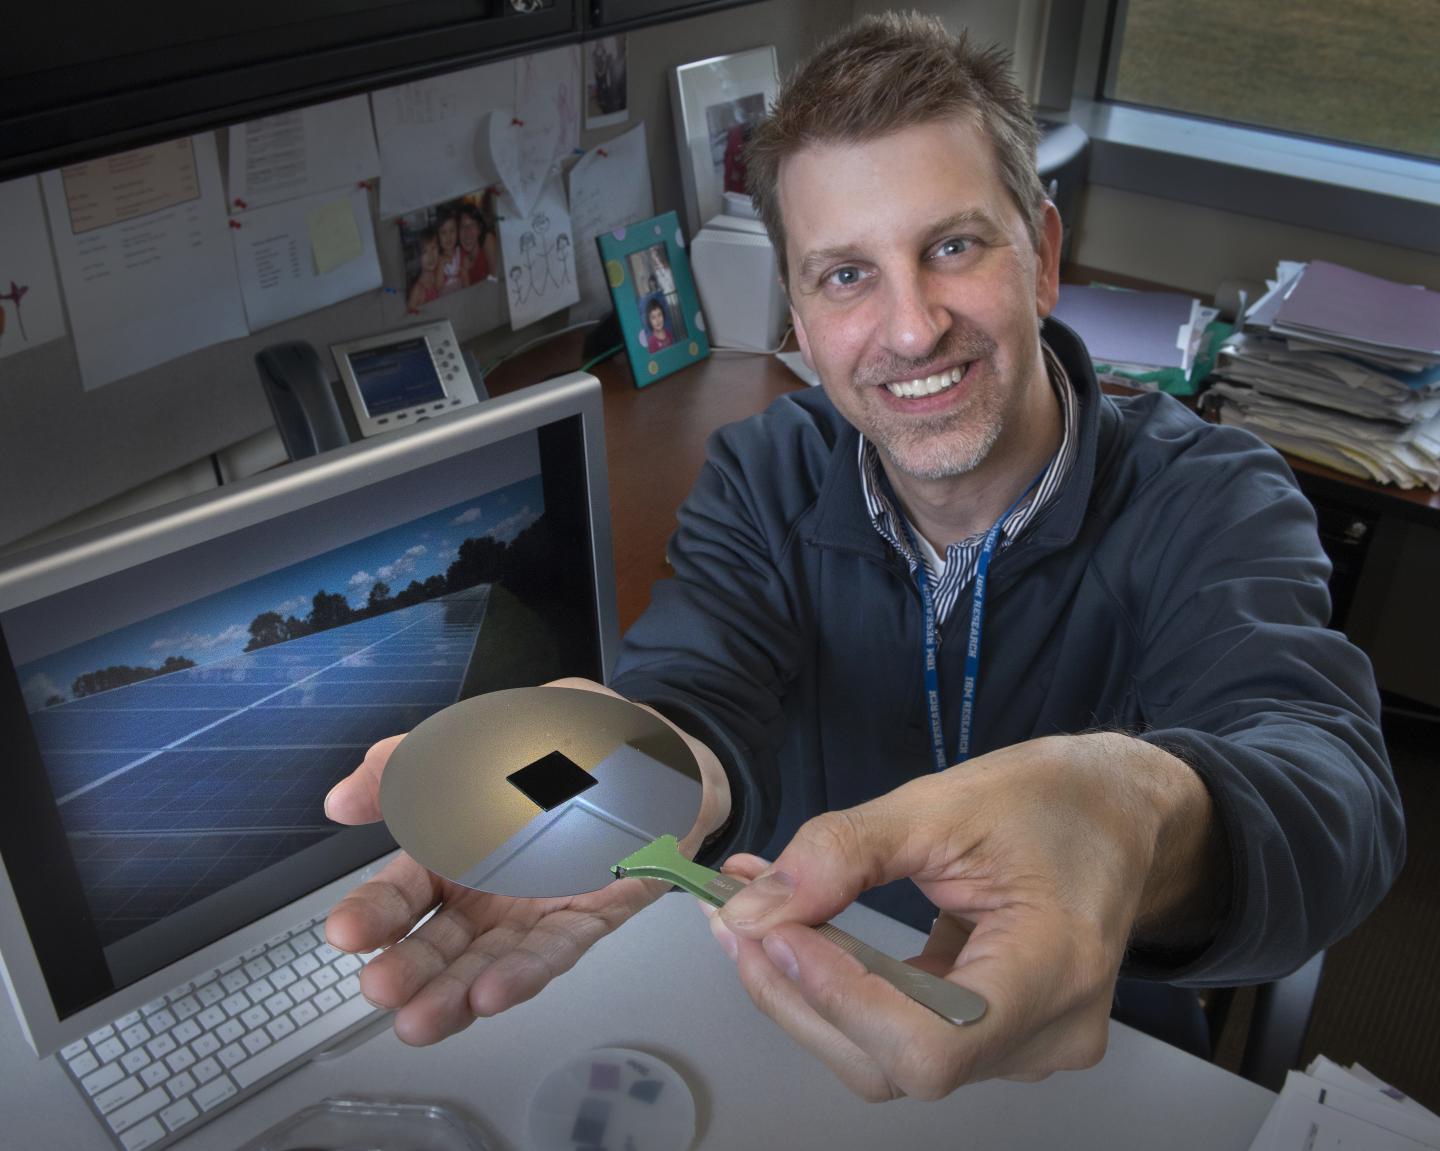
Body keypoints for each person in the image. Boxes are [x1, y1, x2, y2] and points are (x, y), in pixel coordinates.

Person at [324, 13, 1403, 1098]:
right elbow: (692, 692)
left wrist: (1131, 811)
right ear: (796, 311)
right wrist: (591, 774)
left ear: (1042, 257)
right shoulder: (763, 473)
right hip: (797, 973)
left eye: (952, 246)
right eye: (845, 276)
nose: (912, 327)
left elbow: (1337, 796)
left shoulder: (1214, 497)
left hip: (1095, 1033)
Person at [458, 202, 497, 285]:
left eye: (472, 225)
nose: (467, 232)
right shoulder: (458, 256)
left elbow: (496, 279)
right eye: (462, 226)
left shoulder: (487, 240)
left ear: (480, 228)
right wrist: (465, 272)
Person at [405, 228, 443, 312]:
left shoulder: (439, 273)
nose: (431, 256)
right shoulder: (418, 291)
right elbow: (408, 320)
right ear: (418, 257)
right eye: (424, 251)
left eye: (433, 248)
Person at [436, 210, 466, 295]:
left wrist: (464, 272)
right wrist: (441, 264)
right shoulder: (438, 259)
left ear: (457, 232)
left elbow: (466, 279)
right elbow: (438, 287)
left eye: (452, 231)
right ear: (438, 236)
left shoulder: (461, 253)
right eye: (443, 232)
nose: (448, 237)